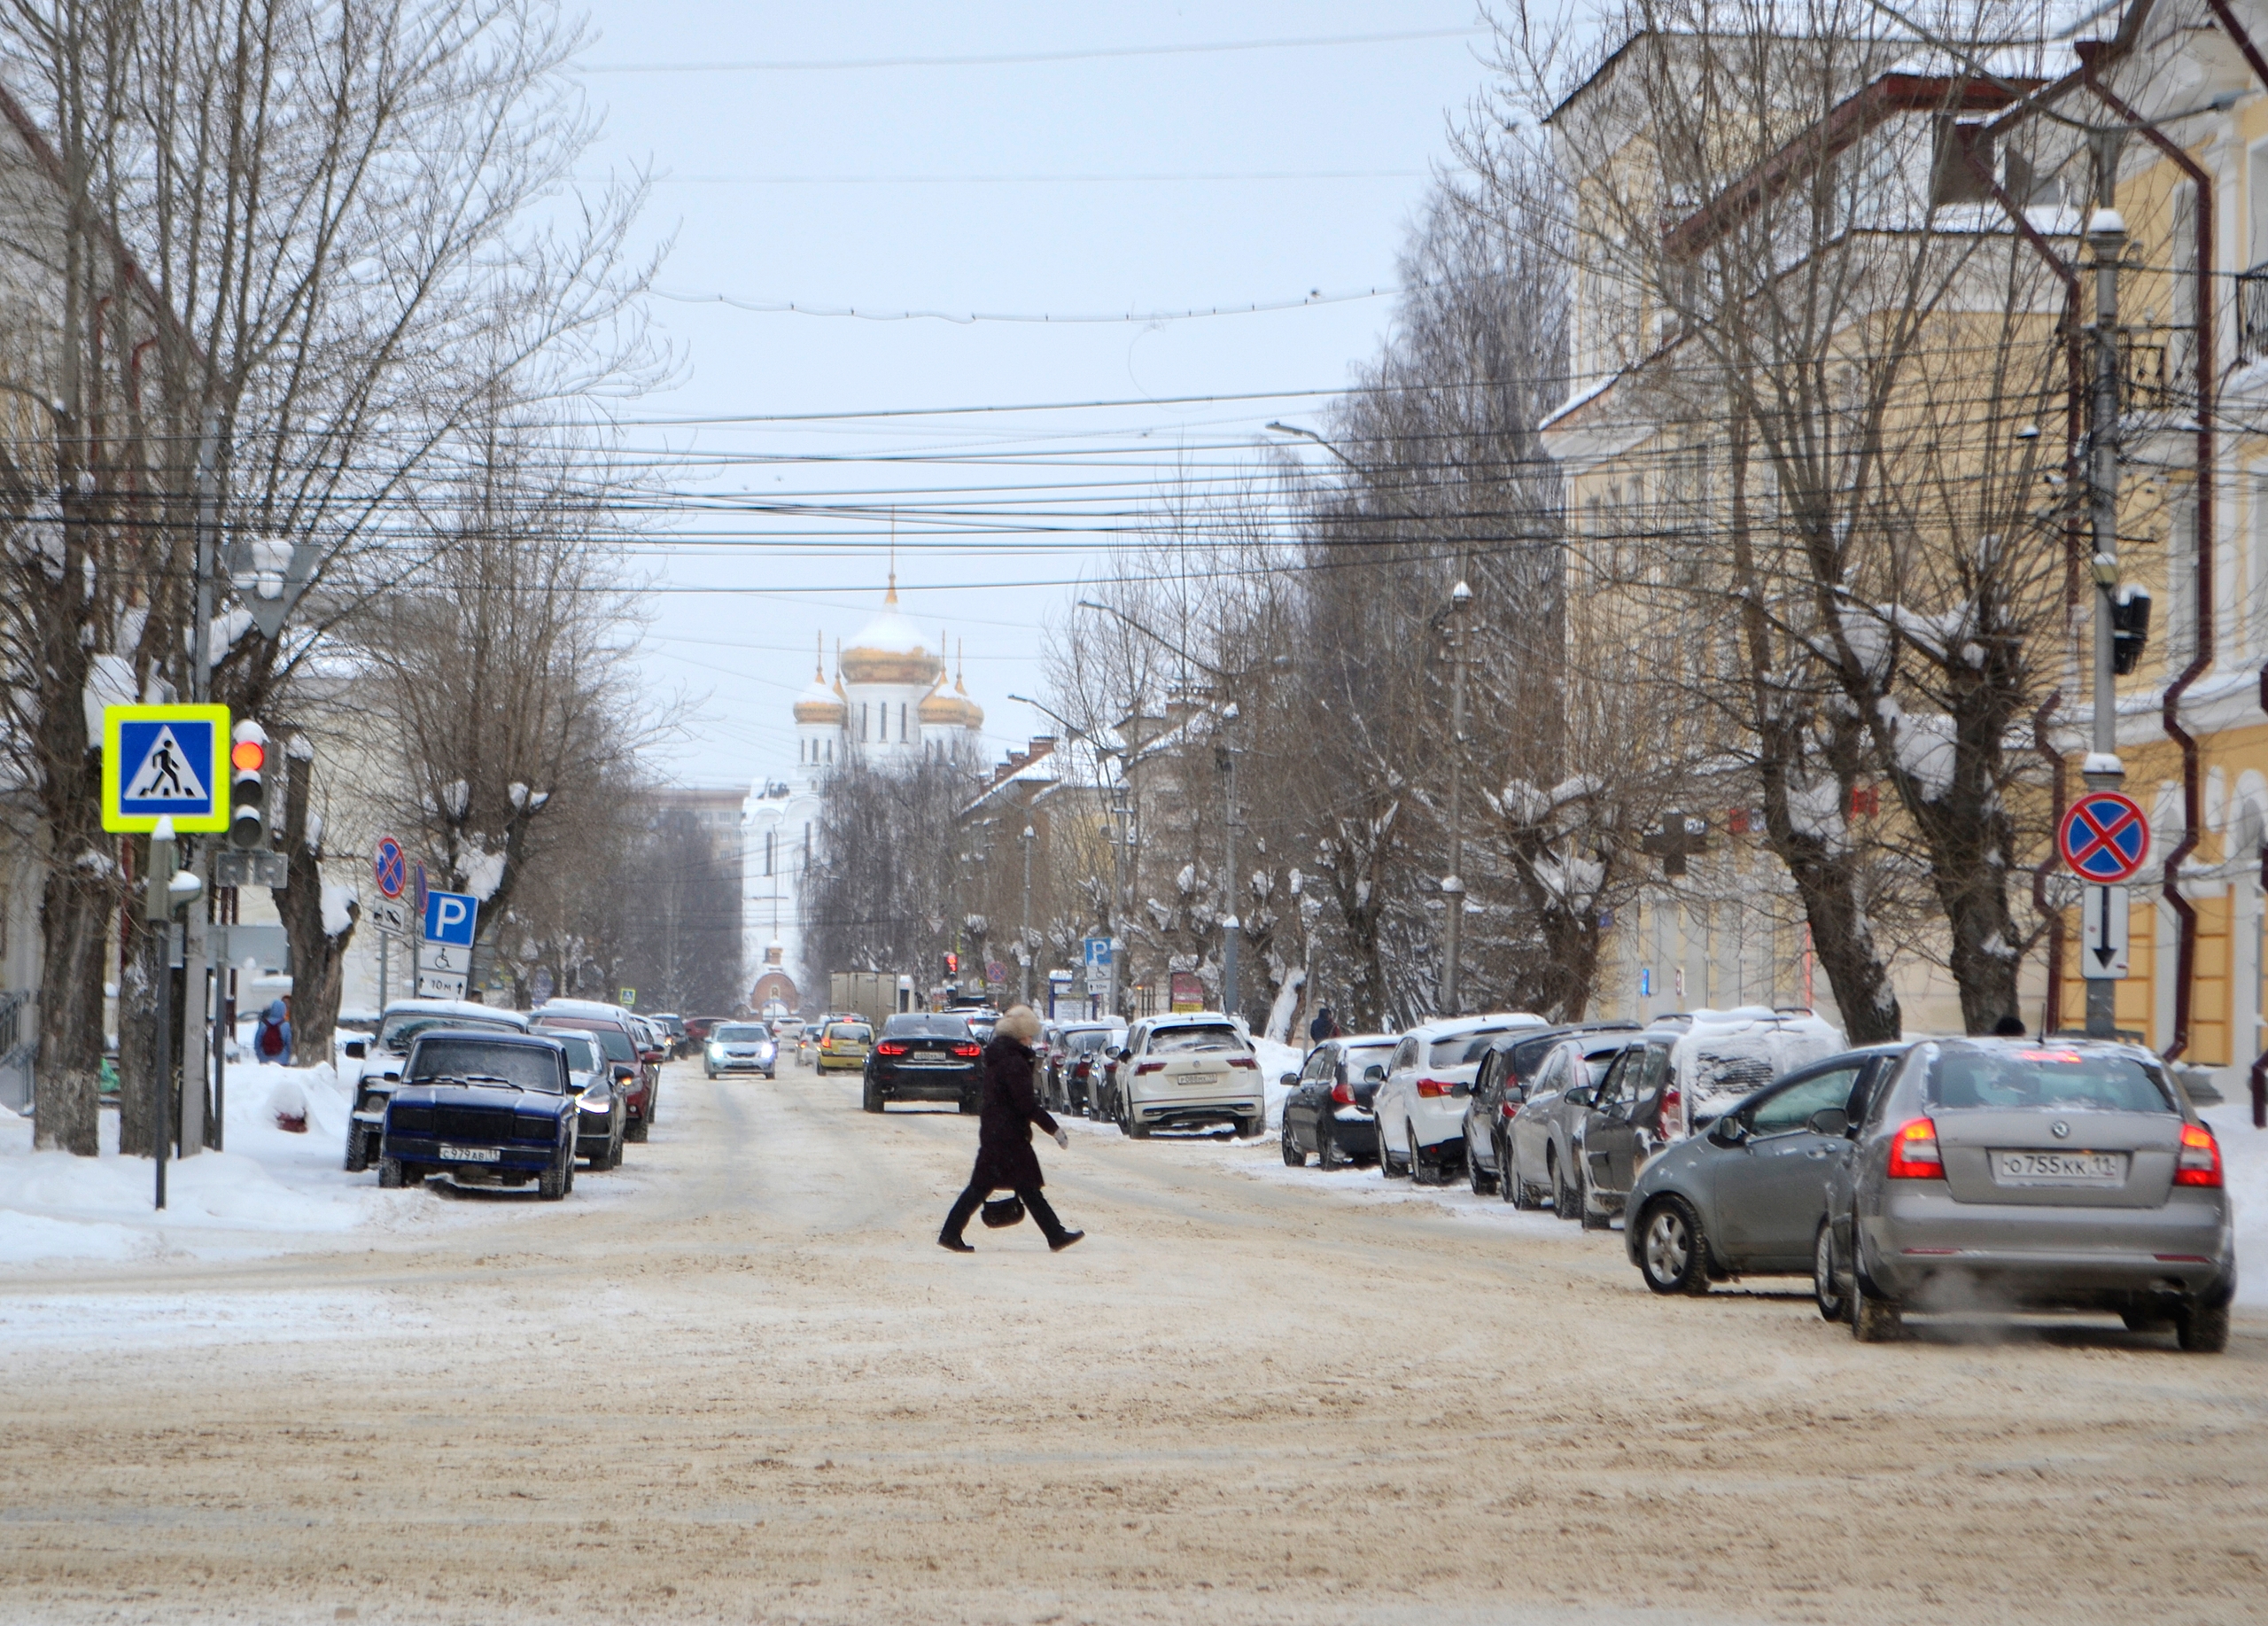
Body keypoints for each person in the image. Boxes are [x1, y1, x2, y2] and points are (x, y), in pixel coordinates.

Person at [939, 1004, 1084, 1253]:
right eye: (1029, 1035)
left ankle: (1055, 1234)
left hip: (997, 1132)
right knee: (1017, 1187)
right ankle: (1055, 1235)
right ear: (1020, 1036)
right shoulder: (1014, 1063)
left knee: (1000, 1186)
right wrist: (1054, 1129)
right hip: (1009, 1136)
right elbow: (1026, 1104)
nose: (1032, 1041)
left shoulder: (1001, 1057)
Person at [254, 999, 293, 1064]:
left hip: (264, 1059)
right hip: (282, 1059)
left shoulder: (263, 1024)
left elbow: (257, 1042)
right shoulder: (286, 1025)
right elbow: (289, 1043)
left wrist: (259, 1054)